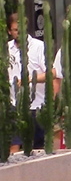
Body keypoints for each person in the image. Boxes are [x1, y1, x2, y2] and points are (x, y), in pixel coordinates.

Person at [6, 13, 47, 152]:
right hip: (13, 106)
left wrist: (30, 79)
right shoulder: (6, 49)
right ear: (9, 31)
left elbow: (51, 72)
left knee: (38, 147)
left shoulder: (38, 46)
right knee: (14, 144)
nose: (20, 33)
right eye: (16, 30)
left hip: (36, 106)